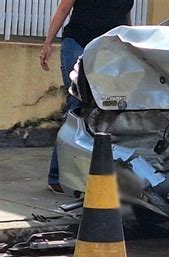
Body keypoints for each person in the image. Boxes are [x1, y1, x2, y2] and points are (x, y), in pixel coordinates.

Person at [40, 0, 134, 193]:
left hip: (108, 50)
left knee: (103, 107)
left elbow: (125, 19)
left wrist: (129, 48)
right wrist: (48, 43)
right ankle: (56, 175)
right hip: (77, 43)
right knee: (77, 104)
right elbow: (63, 9)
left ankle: (89, 174)